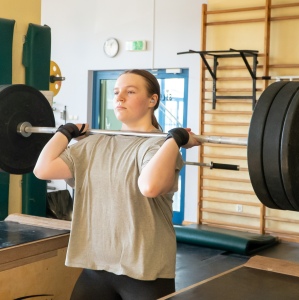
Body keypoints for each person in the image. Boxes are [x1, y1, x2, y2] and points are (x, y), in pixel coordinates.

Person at [34, 69, 201, 300]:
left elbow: (149, 186)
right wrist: (65, 132)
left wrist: (175, 140)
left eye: (130, 91)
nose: (119, 97)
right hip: (96, 267)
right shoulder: (93, 144)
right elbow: (42, 169)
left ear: (153, 100)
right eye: (116, 92)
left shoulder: (156, 147)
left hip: (145, 272)